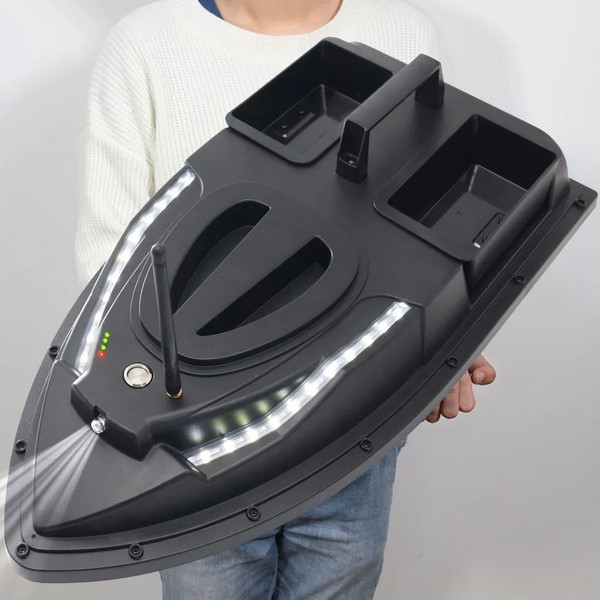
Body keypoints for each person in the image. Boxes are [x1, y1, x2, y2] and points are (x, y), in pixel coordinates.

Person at [75, 1, 497, 598]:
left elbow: (438, 225)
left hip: (350, 425)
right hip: (198, 447)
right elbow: (108, 254)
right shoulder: (145, 46)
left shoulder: (402, 33)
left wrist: (452, 341)